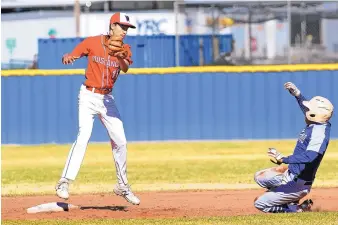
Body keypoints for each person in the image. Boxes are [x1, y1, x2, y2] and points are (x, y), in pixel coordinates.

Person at [55, 12, 140, 205]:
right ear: (112, 27)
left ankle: (122, 186)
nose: (125, 31)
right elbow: (72, 54)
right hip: (88, 95)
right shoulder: (93, 42)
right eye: (122, 26)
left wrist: (120, 56)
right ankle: (64, 182)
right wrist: (68, 57)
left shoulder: (125, 48)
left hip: (107, 99)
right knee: (83, 136)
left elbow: (125, 67)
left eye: (127, 28)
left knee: (121, 141)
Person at [253, 82, 334, 213]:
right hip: (291, 175)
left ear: (314, 114)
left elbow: (310, 156)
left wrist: (284, 158)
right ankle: (287, 198)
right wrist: (297, 94)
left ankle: (297, 209)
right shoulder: (318, 123)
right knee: (259, 177)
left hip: (298, 183)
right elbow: (309, 111)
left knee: (260, 203)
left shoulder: (319, 134)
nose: (306, 110)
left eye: (309, 110)